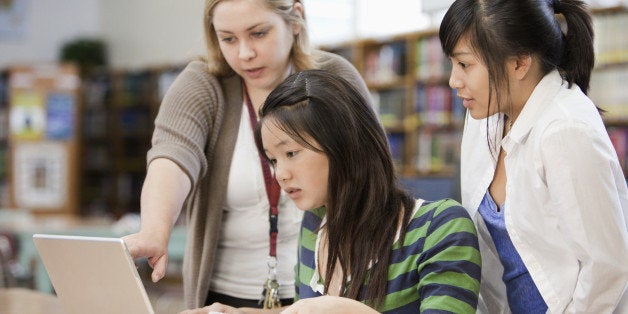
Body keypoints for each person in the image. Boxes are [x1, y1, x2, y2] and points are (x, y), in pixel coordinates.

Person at [122, 0, 373, 310]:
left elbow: (372, 171)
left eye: (258, 33)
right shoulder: (203, 84)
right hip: (224, 298)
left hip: (326, 296)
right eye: (228, 39)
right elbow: (172, 156)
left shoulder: (333, 76)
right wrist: (154, 231)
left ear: (295, 19)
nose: (244, 53)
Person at [185, 69, 481, 314]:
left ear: (343, 144)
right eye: (272, 160)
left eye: (291, 153)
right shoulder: (315, 222)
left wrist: (347, 310)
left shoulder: (441, 227)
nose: (280, 174)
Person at [439, 0, 628, 312]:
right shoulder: (484, 117)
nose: (453, 81)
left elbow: (607, 268)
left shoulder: (565, 131)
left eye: (464, 65)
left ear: (519, 63)